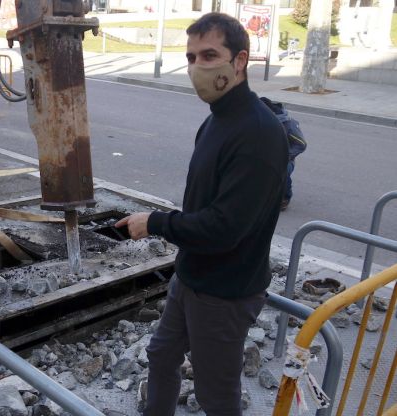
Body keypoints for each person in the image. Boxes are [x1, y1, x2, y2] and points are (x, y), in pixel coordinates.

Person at [114, 13, 288, 416]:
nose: (197, 67)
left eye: (209, 55)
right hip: (191, 275)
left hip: (225, 291)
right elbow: (203, 207)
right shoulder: (217, 119)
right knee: (160, 356)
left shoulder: (258, 133)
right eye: (191, 57)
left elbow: (224, 228)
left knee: (216, 395)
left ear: (239, 61)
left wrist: (155, 222)